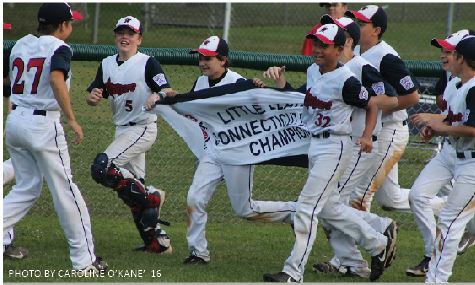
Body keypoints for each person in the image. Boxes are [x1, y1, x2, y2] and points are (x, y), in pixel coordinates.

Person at [145, 35, 296, 265]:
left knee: (245, 210)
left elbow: (264, 112)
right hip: (213, 152)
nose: (203, 62)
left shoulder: (239, 83)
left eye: (209, 58)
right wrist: (161, 96)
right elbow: (186, 101)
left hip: (238, 154)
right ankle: (198, 253)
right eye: (200, 58)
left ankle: (293, 213)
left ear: (223, 60)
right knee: (194, 199)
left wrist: (258, 89)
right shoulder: (201, 82)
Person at [262, 24, 396, 283]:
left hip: (335, 146)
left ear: (339, 48)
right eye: (316, 44)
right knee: (331, 208)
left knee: (307, 208)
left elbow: (371, 105)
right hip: (316, 145)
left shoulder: (347, 79)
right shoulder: (314, 72)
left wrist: (367, 135)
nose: (318, 49)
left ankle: (293, 272)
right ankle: (378, 244)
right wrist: (280, 85)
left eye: (324, 45)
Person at [3, 3, 107, 272]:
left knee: (26, 188)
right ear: (63, 26)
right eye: (70, 22)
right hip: (42, 123)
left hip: (15, 119)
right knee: (66, 191)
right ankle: (84, 262)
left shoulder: (19, 45)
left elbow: (6, 80)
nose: (71, 27)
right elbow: (56, 79)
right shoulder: (60, 48)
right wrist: (71, 118)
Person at [86, 16, 174, 254]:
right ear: (115, 36)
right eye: (121, 32)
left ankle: (152, 198)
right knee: (134, 193)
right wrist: (92, 97)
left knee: (102, 167)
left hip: (143, 127)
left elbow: (168, 90)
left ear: (139, 39)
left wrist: (158, 95)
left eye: (131, 33)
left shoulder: (147, 63)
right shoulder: (106, 64)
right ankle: (157, 243)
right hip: (122, 129)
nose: (125, 37)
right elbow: (96, 93)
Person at [406, 29, 475, 277]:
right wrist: (436, 129)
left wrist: (440, 127)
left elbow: (472, 128)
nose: (446, 56)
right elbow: (453, 119)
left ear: (461, 58)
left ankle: (437, 278)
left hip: (471, 163)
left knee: (450, 221)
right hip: (450, 155)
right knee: (419, 196)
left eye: (451, 52)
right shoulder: (458, 85)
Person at [345, 4, 420, 212]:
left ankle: (371, 242)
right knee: (391, 200)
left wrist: (377, 110)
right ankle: (448, 205)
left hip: (390, 130)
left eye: (361, 23)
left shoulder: (386, 57)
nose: (355, 26)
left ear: (376, 30)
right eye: (355, 22)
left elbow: (413, 95)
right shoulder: (355, 50)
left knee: (359, 194)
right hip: (372, 129)